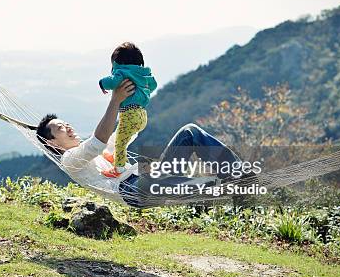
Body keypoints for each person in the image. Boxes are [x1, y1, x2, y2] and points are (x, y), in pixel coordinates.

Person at [35, 79, 249, 208]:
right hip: (134, 190)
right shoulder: (70, 160)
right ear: (51, 141)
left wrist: (134, 104)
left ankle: (237, 174)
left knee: (190, 132)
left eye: (66, 123)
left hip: (146, 176)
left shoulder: (92, 155)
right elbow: (97, 143)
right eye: (60, 128)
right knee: (204, 187)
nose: (68, 127)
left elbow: (122, 135)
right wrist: (115, 100)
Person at [98, 42, 157, 178]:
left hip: (129, 114)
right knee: (122, 137)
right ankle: (118, 158)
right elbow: (153, 85)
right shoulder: (144, 73)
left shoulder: (122, 72)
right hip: (142, 115)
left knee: (120, 142)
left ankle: (118, 169)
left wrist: (102, 83)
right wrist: (141, 91)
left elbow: (112, 82)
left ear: (118, 63)